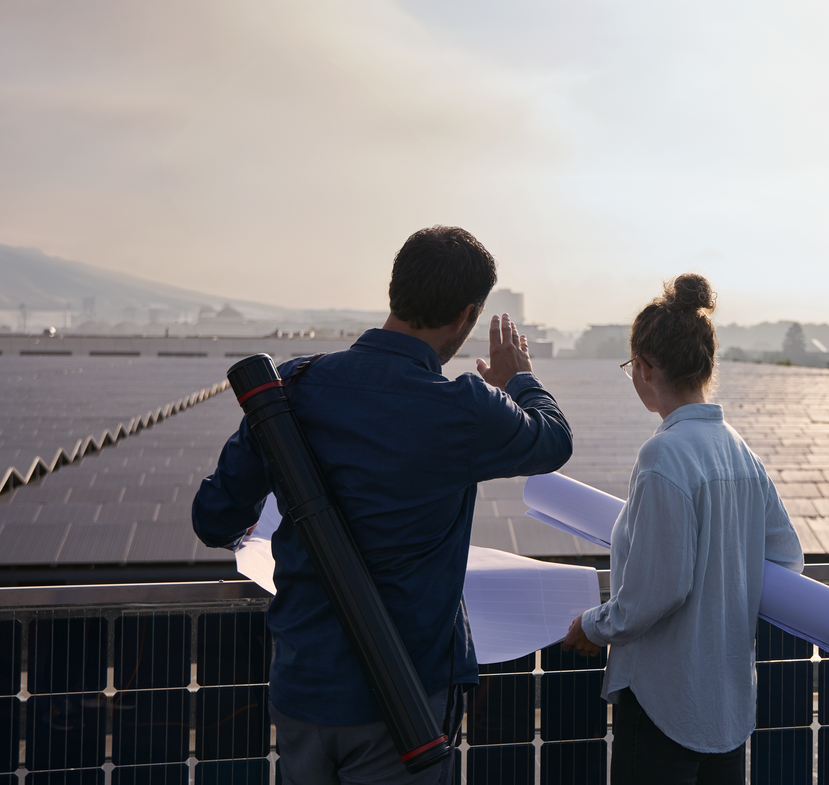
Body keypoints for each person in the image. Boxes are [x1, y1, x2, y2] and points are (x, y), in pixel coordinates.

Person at [192, 226, 573, 785]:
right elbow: (554, 440)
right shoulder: (462, 408)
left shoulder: (291, 387)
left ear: (396, 290)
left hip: (302, 689)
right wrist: (519, 381)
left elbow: (212, 518)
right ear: (467, 316)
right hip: (404, 707)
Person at [561, 274, 803, 785]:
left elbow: (658, 590)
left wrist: (593, 625)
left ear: (646, 368)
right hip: (729, 706)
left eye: (632, 366)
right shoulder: (741, 452)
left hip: (663, 704)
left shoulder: (663, 455)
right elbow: (786, 559)